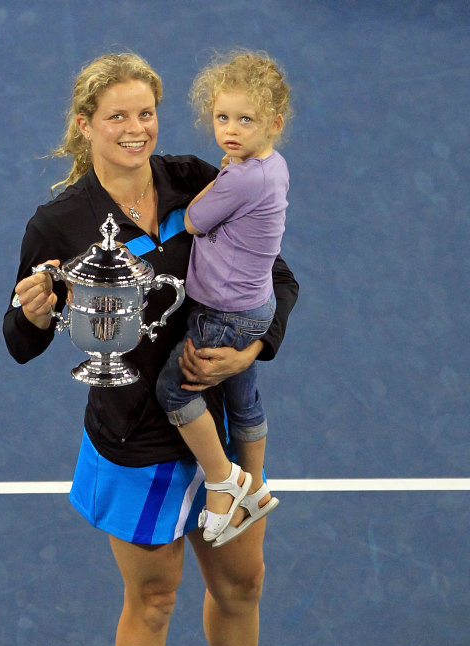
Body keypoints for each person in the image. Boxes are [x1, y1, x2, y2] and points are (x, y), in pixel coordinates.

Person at [3, 52, 331, 646]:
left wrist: (253, 349)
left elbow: (275, 278)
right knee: (153, 599)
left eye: (145, 112)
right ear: (85, 127)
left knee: (243, 583)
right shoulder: (60, 224)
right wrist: (35, 311)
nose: (135, 128)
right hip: (135, 441)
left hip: (214, 423)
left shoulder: (193, 179)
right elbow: (21, 341)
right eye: (116, 115)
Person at [156, 52, 290, 546]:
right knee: (242, 398)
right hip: (257, 309)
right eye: (222, 117)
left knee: (176, 390)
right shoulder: (273, 166)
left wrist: (214, 183)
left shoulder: (239, 177)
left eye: (246, 119)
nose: (230, 130)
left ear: (274, 122)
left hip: (224, 315)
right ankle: (254, 487)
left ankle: (222, 481)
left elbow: (193, 220)